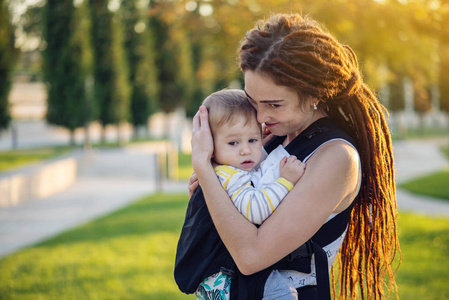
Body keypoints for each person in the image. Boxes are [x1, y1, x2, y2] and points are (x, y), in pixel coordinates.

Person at [188, 13, 400, 300]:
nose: (261, 117)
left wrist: (204, 168)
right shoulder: (274, 137)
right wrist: (217, 187)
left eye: (274, 104)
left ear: (313, 94)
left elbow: (251, 256)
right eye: (253, 102)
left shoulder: (336, 157)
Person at [175, 89, 306, 299]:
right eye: (233, 142)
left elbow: (258, 161)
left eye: (252, 140)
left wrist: (261, 140)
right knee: (282, 293)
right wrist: (286, 181)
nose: (245, 150)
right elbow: (256, 210)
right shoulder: (229, 176)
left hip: (222, 277)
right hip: (224, 281)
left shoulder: (233, 163)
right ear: (210, 147)